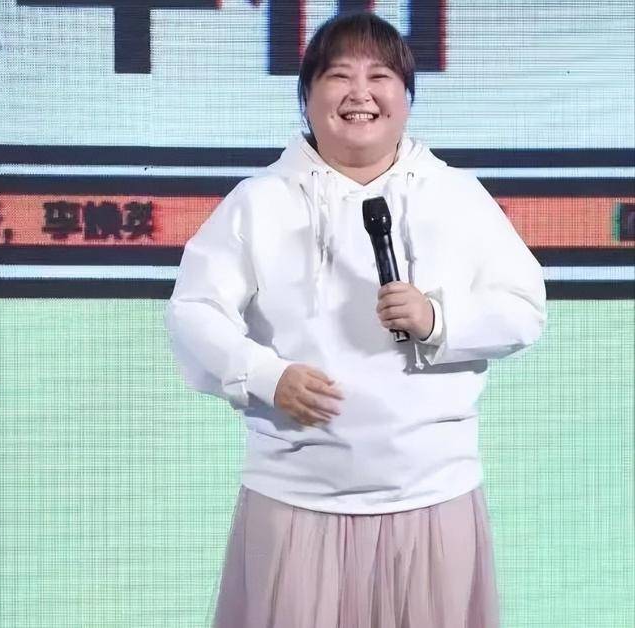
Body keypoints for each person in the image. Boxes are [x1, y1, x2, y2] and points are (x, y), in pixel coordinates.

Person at [165, 12, 546, 628]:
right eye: (338, 76)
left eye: (380, 76)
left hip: (432, 494)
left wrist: (438, 319)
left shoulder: (456, 195)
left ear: (407, 97)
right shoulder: (259, 201)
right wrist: (265, 375)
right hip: (295, 496)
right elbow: (193, 312)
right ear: (307, 97)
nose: (359, 93)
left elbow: (524, 308)